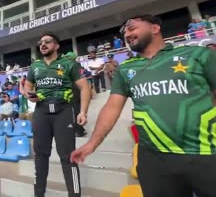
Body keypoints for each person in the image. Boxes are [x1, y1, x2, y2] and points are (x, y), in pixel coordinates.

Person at [71, 14, 216, 197]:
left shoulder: (197, 54)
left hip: (207, 153)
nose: (127, 34)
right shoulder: (125, 69)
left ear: (155, 28)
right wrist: (92, 144)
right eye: (124, 32)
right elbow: (112, 107)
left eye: (132, 28)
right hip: (153, 159)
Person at [25, 33, 91, 197]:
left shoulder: (69, 64)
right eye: (41, 42)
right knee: (40, 155)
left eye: (47, 42)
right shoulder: (35, 66)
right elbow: (27, 85)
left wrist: (83, 111)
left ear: (57, 45)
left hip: (64, 111)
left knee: (68, 156)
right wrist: (29, 93)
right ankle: (38, 194)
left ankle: (74, 194)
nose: (43, 45)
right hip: (41, 111)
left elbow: (84, 87)